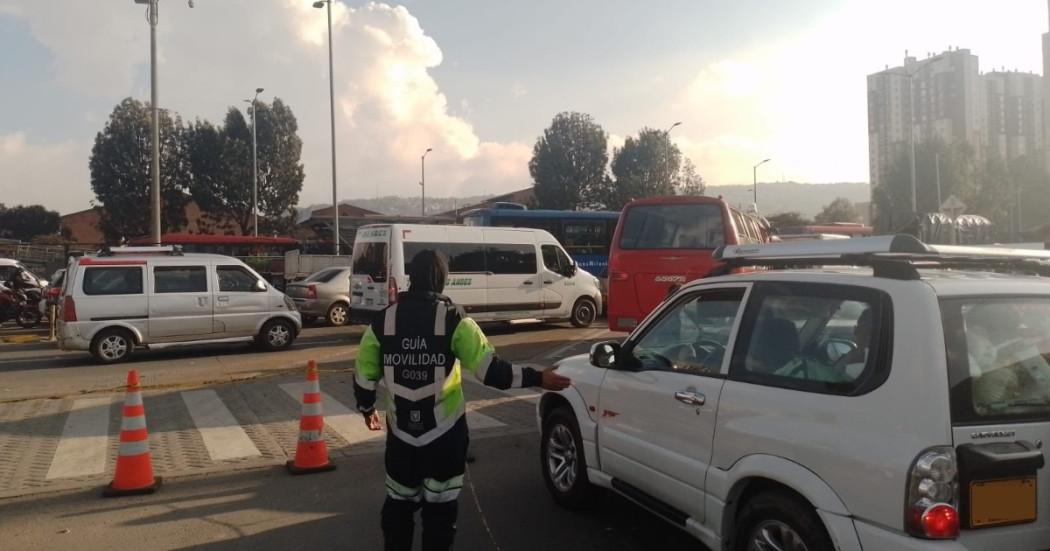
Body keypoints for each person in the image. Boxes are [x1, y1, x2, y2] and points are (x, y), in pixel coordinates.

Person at [353, 250, 571, 551]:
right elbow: (491, 371)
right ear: (441, 280)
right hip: (445, 438)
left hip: (402, 440)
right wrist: (538, 378)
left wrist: (366, 408)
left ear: (411, 279)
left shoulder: (383, 321)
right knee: (440, 518)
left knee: (398, 511)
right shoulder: (455, 319)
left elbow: (364, 374)